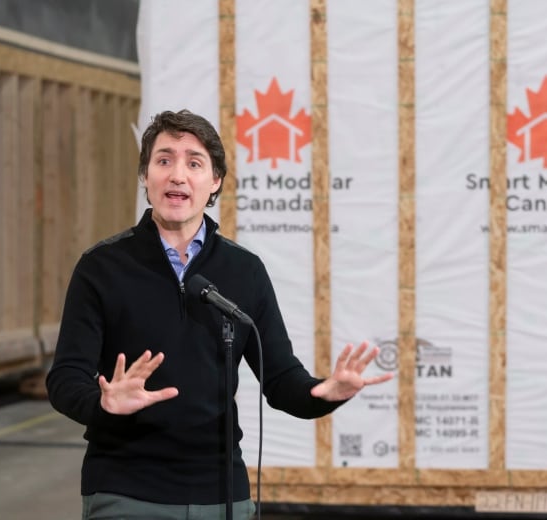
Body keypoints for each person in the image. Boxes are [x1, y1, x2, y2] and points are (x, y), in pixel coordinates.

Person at [46, 109, 394, 520]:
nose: (178, 175)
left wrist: (324, 393)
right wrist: (102, 404)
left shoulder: (243, 271)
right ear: (145, 176)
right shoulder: (101, 267)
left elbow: (281, 380)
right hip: (125, 490)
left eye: (194, 163)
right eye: (164, 160)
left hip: (220, 494)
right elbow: (65, 378)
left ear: (215, 182)